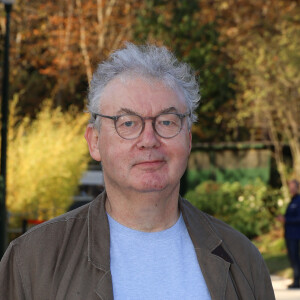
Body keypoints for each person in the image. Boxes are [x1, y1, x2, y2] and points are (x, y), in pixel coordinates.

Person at [0, 43, 275, 299]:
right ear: (94, 142)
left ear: (188, 139)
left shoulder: (241, 259)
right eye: (128, 123)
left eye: (167, 122)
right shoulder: (32, 260)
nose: (148, 139)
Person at [284, 179, 300, 288]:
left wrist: (286, 220)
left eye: (293, 186)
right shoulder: (292, 200)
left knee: (295, 257)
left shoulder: (298, 201)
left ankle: (297, 281)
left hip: (295, 234)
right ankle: (296, 279)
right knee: (292, 257)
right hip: (289, 234)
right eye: (290, 186)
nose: (291, 189)